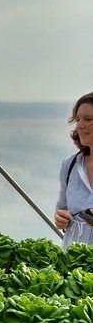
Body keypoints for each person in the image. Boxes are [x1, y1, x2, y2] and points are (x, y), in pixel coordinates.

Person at [55, 92, 93, 248]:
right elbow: (61, 208)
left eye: (88, 119)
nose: (79, 126)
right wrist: (60, 218)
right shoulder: (70, 164)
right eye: (78, 119)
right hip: (72, 261)